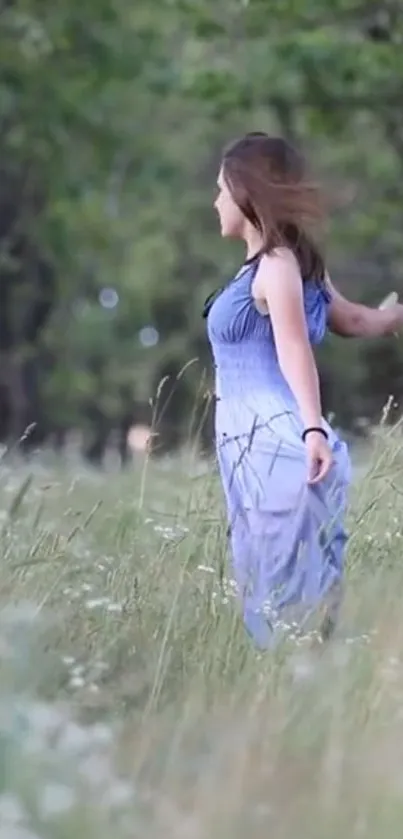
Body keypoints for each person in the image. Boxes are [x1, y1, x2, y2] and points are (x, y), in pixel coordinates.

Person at [203, 132, 403, 648]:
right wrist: (393, 317)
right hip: (259, 444)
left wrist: (313, 427)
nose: (216, 201)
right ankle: (297, 685)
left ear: (248, 194)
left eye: (222, 188)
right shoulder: (289, 265)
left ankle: (298, 684)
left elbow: (294, 348)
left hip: (277, 443)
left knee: (281, 586)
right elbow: (354, 320)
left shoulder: (276, 265)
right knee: (273, 578)